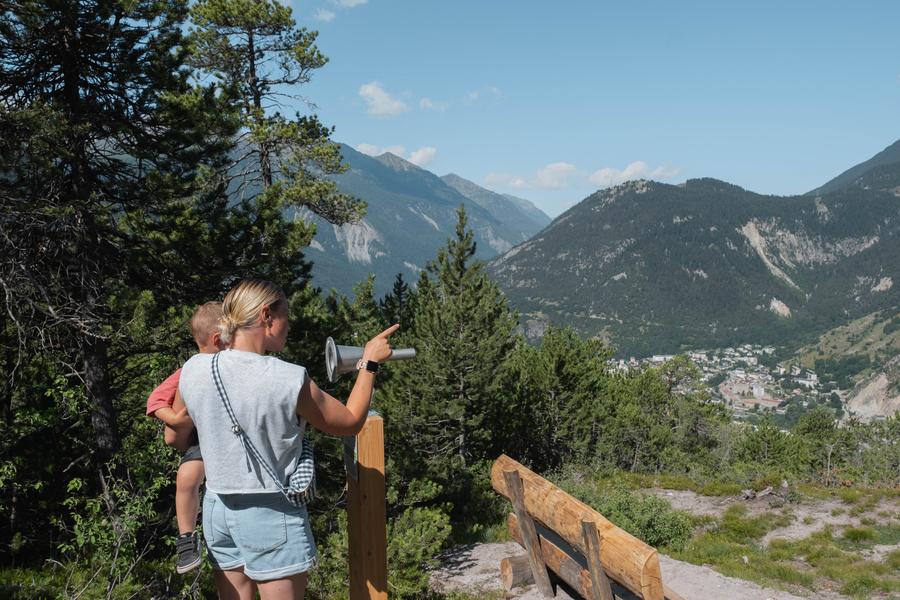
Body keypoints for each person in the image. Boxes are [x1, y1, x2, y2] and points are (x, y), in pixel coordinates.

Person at [173, 279, 396, 600]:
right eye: (285, 316)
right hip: (268, 514)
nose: (289, 325)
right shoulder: (286, 378)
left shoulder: (194, 369)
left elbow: (181, 427)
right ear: (266, 316)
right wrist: (369, 363)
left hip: (216, 508)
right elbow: (349, 421)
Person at [146, 301, 225, 573]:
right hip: (202, 437)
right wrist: (177, 420)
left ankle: (187, 537)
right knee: (186, 478)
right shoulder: (190, 370)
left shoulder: (228, 363)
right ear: (219, 339)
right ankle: (186, 539)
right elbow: (156, 400)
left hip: (218, 435)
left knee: (186, 481)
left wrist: (174, 423)